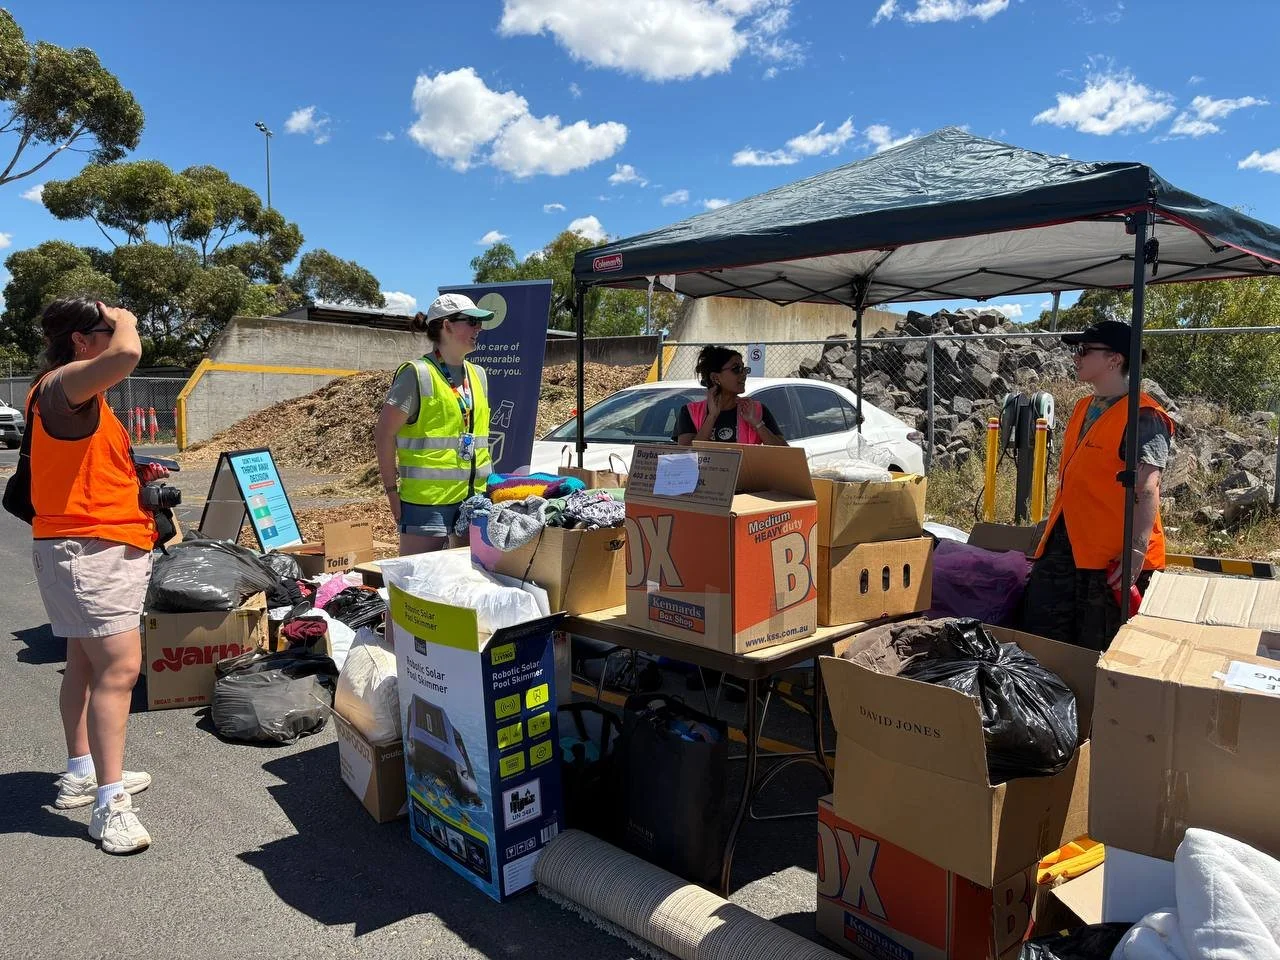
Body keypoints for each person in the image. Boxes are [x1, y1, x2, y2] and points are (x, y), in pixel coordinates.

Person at [29, 298, 164, 854]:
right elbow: (130, 351)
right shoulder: (63, 385)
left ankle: (83, 771)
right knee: (119, 669)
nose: (117, 336)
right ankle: (109, 805)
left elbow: (82, 469)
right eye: (104, 331)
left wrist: (134, 473)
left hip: (90, 545)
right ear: (82, 343)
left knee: (84, 663)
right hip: (90, 549)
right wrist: (125, 317)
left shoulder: (76, 396)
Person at [1022, 320, 1173, 652]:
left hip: (1113, 558)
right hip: (1070, 543)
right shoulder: (1082, 407)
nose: (1076, 357)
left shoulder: (1145, 415)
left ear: (1114, 360)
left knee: (1099, 646)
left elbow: (1147, 488)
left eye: (1085, 350)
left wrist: (1134, 551)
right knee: (1044, 632)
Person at [376, 293, 494, 554]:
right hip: (428, 503)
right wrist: (391, 491)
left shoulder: (479, 375)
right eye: (471, 322)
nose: (479, 328)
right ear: (447, 325)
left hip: (474, 498)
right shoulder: (416, 374)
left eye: (479, 323)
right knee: (418, 582)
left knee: (465, 583)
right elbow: (384, 435)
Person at [673, 345, 786, 446]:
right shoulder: (690, 412)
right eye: (737, 369)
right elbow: (685, 456)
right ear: (715, 378)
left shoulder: (756, 410)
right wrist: (711, 417)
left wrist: (757, 423)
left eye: (744, 369)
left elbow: (785, 453)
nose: (744, 375)